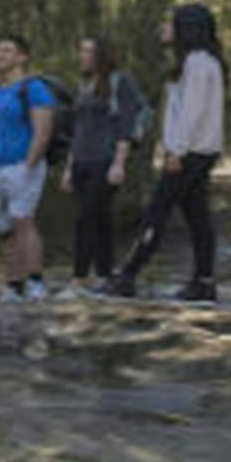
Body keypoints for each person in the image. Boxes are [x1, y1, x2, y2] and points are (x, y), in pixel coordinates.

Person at [101, 4, 225, 303]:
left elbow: (192, 113)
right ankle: (204, 281)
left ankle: (128, 276)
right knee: (197, 217)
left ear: (187, 27)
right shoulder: (200, 62)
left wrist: (176, 151)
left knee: (158, 211)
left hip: (189, 152)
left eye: (169, 23)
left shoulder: (197, 63)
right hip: (198, 151)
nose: (163, 28)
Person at [0, 33, 56, 303]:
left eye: (6, 51)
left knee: (23, 221)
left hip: (21, 166)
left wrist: (28, 166)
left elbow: (43, 132)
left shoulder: (32, 89)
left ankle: (35, 281)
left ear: (22, 57)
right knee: (2, 230)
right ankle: (12, 283)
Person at [61, 35, 147, 289]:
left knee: (86, 216)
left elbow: (126, 123)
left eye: (88, 51)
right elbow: (77, 128)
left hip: (105, 159)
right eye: (81, 50)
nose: (83, 55)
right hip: (82, 160)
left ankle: (79, 275)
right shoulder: (84, 85)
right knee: (100, 217)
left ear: (102, 54)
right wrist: (68, 167)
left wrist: (119, 162)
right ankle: (105, 272)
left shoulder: (120, 83)